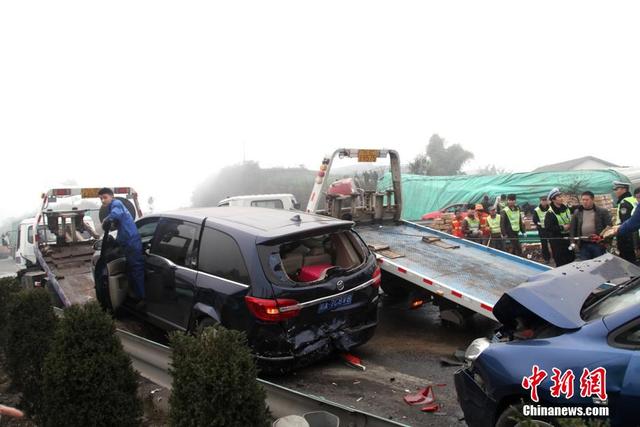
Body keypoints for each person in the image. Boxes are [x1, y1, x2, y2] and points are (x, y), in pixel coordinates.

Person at [98, 187, 145, 306]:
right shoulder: (112, 206)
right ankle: (133, 293)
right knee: (130, 269)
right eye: (101, 198)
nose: (103, 200)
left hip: (131, 241)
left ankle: (141, 298)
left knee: (136, 269)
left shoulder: (116, 203)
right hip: (126, 241)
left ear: (111, 196)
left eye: (105, 197)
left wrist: (106, 220)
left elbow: (116, 214)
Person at [570, 191, 611, 260]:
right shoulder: (577, 212)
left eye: (587, 200)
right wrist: (573, 242)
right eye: (583, 200)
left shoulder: (602, 212)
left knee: (599, 264)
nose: (584, 202)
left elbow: (609, 227)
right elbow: (573, 229)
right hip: (583, 244)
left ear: (592, 200)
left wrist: (606, 242)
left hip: (598, 244)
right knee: (586, 265)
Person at [545, 188, 575, 267]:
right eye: (558, 197)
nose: (561, 198)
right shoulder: (550, 213)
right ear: (553, 200)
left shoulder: (566, 209)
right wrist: (562, 228)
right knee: (561, 262)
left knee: (571, 259)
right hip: (557, 241)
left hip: (568, 238)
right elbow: (549, 228)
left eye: (561, 196)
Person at [613, 181, 637, 263]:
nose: (615, 191)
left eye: (617, 189)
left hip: (626, 237)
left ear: (624, 190)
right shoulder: (633, 199)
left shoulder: (624, 202)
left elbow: (625, 221)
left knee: (627, 261)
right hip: (635, 236)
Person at [532, 196, 551, 264]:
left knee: (553, 243)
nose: (544, 202)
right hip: (542, 230)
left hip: (551, 229)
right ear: (540, 201)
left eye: (545, 200)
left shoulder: (551, 208)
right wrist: (539, 224)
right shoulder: (536, 210)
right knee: (544, 244)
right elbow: (534, 220)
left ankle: (555, 256)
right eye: (542, 200)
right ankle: (546, 258)